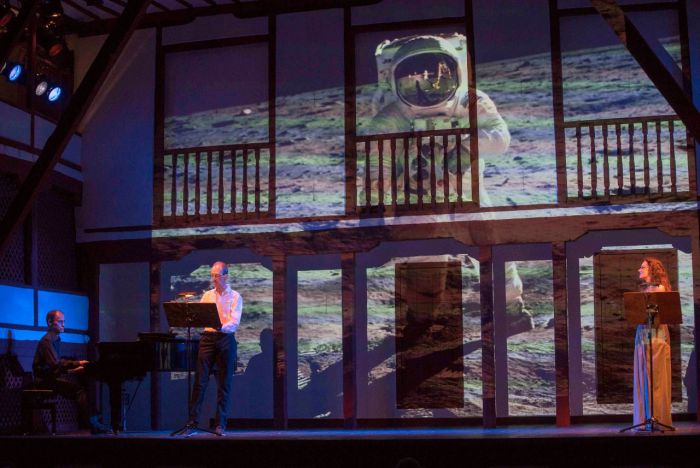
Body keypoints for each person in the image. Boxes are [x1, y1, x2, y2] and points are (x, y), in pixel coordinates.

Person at [183, 261, 243, 437]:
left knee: (224, 384)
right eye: (212, 275)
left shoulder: (235, 296)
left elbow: (234, 323)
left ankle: (220, 425)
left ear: (225, 276)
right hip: (208, 339)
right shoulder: (207, 295)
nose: (213, 279)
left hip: (225, 339)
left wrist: (220, 327)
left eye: (216, 276)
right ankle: (192, 422)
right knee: (200, 382)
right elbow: (201, 317)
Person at [32, 310, 112, 434]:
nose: (63, 325)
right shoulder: (46, 342)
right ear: (50, 322)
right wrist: (77, 364)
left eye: (64, 322)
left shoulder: (56, 339)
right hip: (43, 381)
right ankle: (91, 424)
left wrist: (72, 369)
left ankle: (93, 420)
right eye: (60, 322)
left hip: (51, 378)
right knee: (78, 390)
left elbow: (56, 365)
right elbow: (55, 364)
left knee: (80, 388)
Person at [632, 256, 673, 430]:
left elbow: (660, 316)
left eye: (642, 267)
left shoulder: (661, 289)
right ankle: (645, 418)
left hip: (656, 335)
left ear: (652, 270)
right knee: (644, 375)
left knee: (656, 376)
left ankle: (658, 418)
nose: (639, 270)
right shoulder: (643, 289)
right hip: (643, 333)